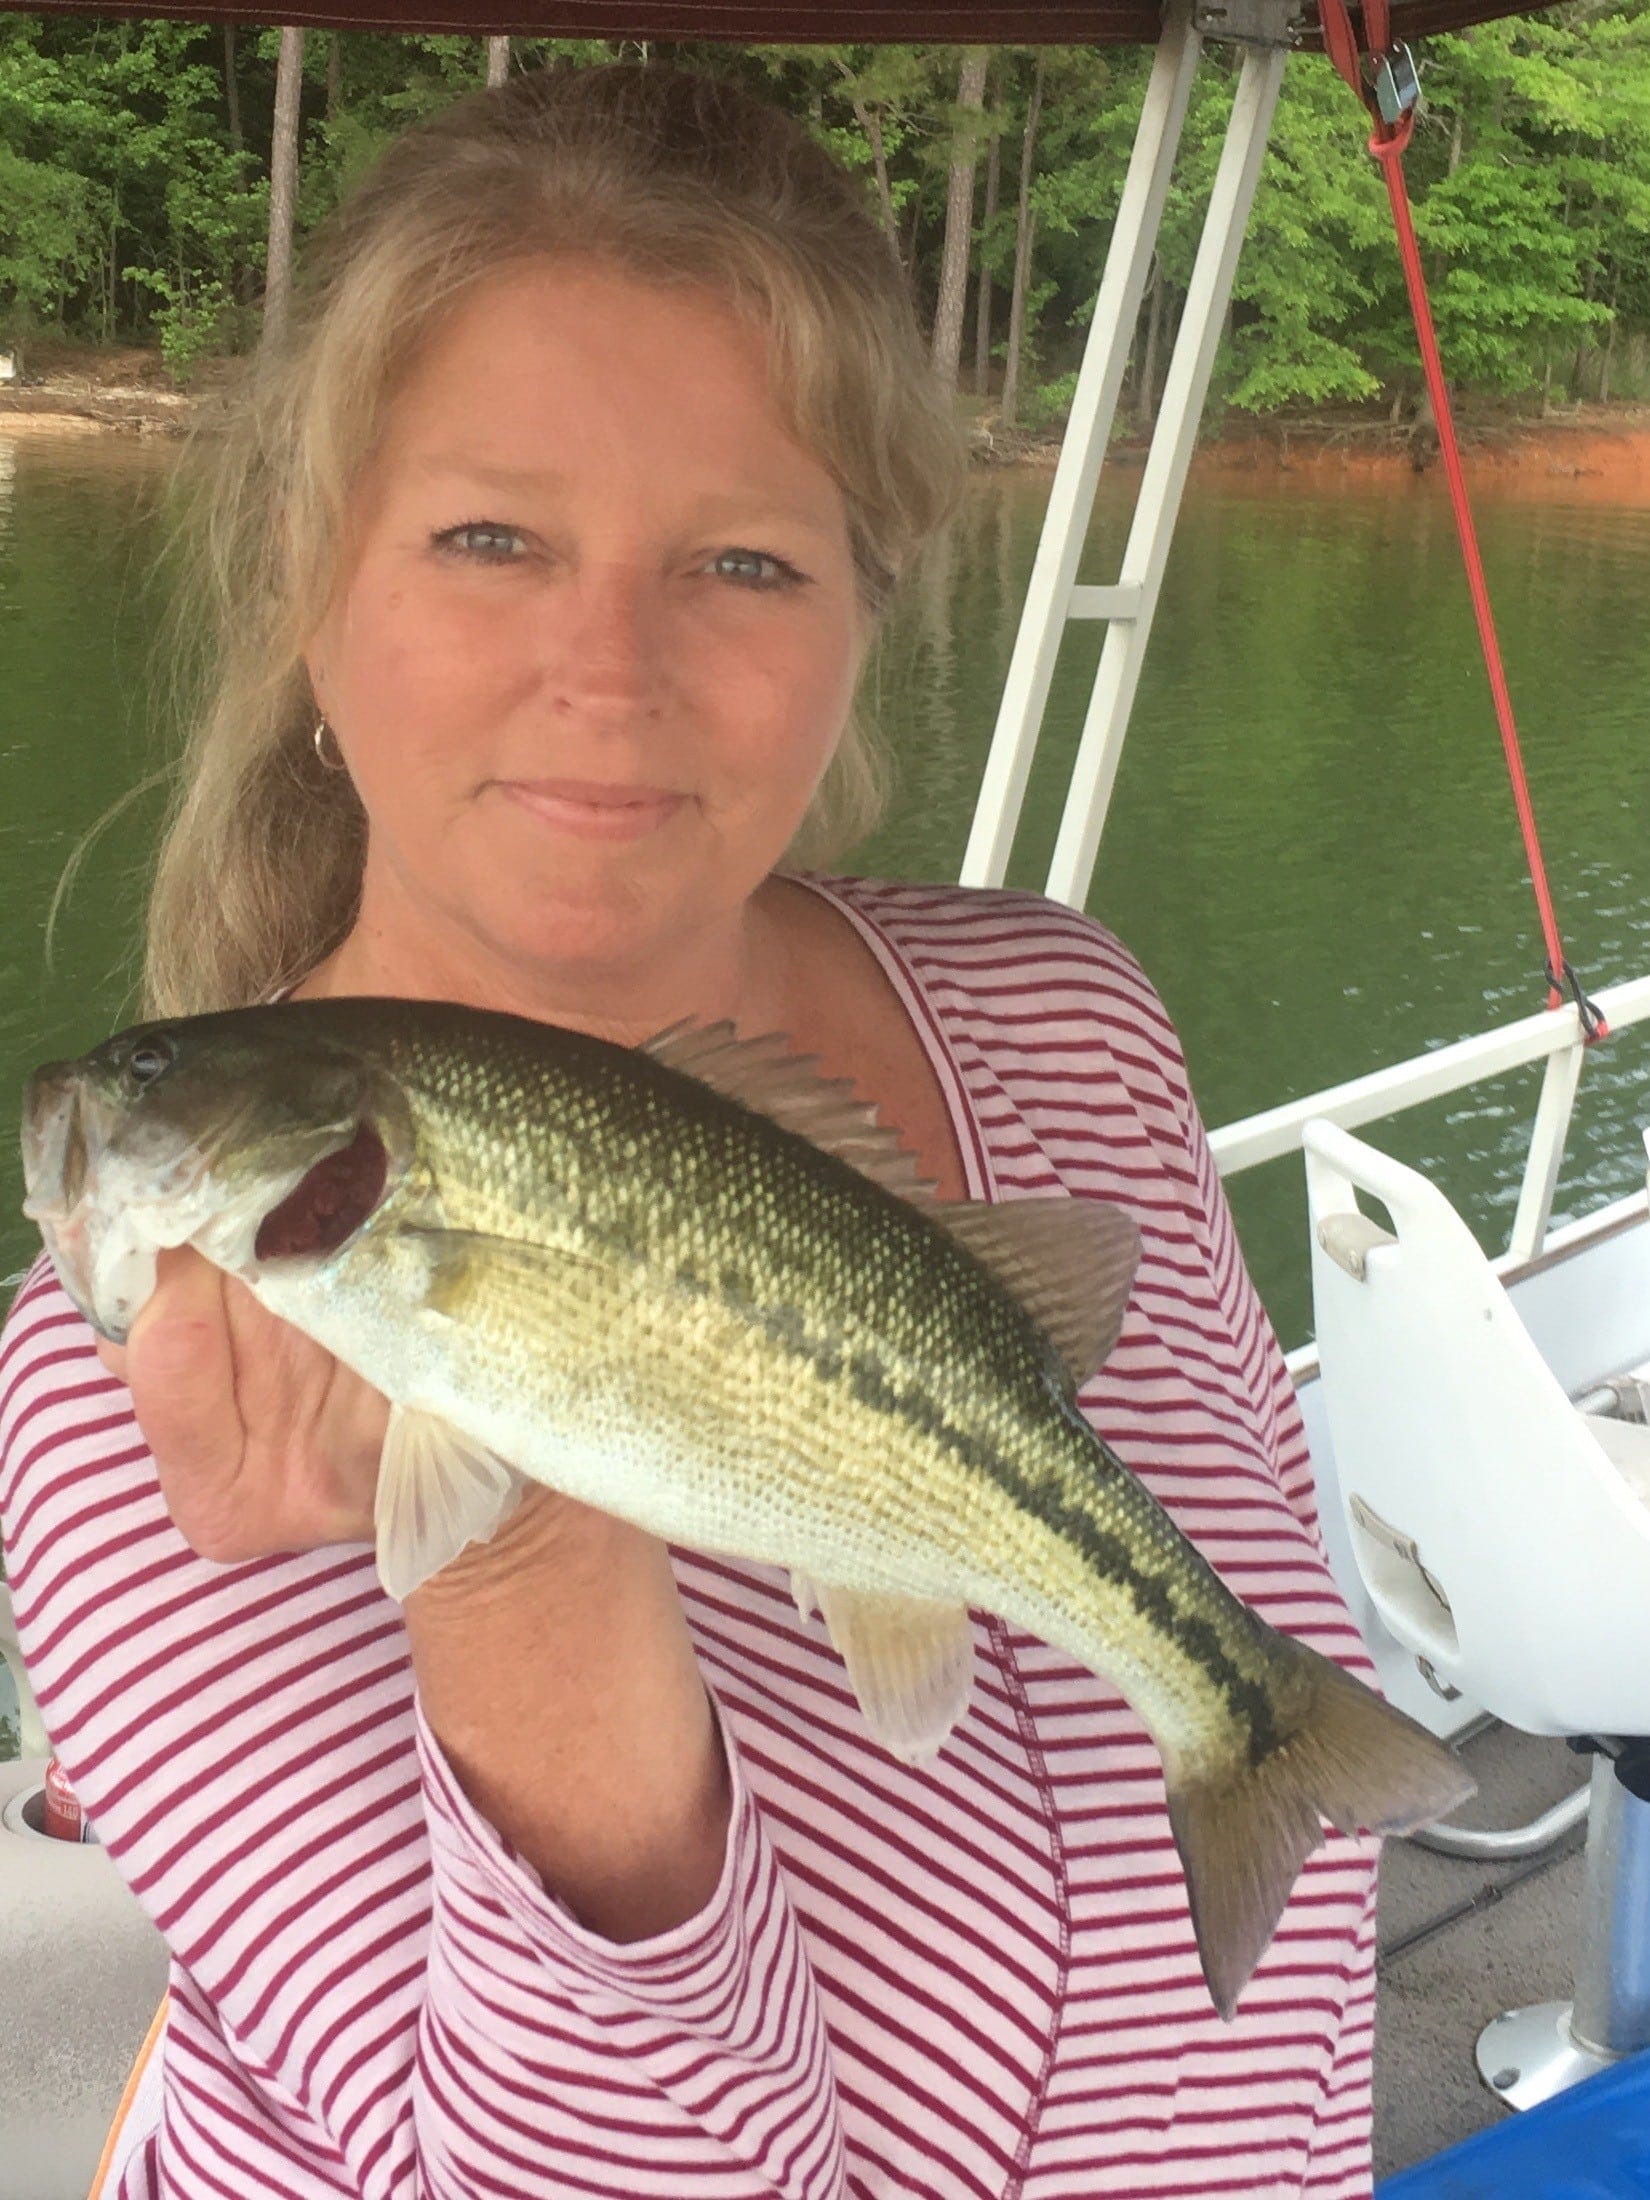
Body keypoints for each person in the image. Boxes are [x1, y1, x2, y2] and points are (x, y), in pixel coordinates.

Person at [0, 63, 1381, 2200]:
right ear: (304, 577)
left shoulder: (1070, 1023)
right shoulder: (148, 1405)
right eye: (490, 538)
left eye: (743, 560)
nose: (610, 666)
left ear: (864, 610)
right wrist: (513, 1556)